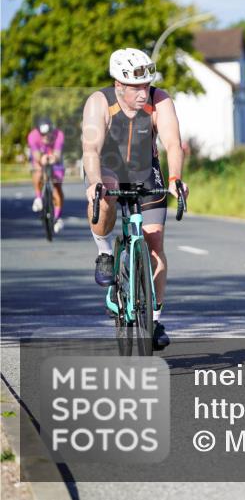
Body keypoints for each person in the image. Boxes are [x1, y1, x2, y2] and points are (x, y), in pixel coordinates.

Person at [81, 48, 189, 350]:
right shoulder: (99, 102)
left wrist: (175, 178)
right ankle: (105, 252)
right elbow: (91, 149)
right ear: (118, 85)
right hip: (108, 169)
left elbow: (172, 142)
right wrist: (95, 182)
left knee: (154, 243)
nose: (143, 93)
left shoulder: (160, 100)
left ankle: (154, 319)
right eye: (135, 87)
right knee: (105, 195)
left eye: (146, 85)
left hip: (145, 171)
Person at [28, 116, 66, 233]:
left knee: (57, 186)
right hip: (40, 157)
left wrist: (54, 158)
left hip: (55, 159)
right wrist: (41, 159)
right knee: (38, 170)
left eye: (48, 134)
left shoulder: (59, 135)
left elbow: (58, 154)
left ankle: (57, 217)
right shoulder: (33, 136)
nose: (45, 137)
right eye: (43, 135)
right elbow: (35, 155)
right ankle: (38, 198)